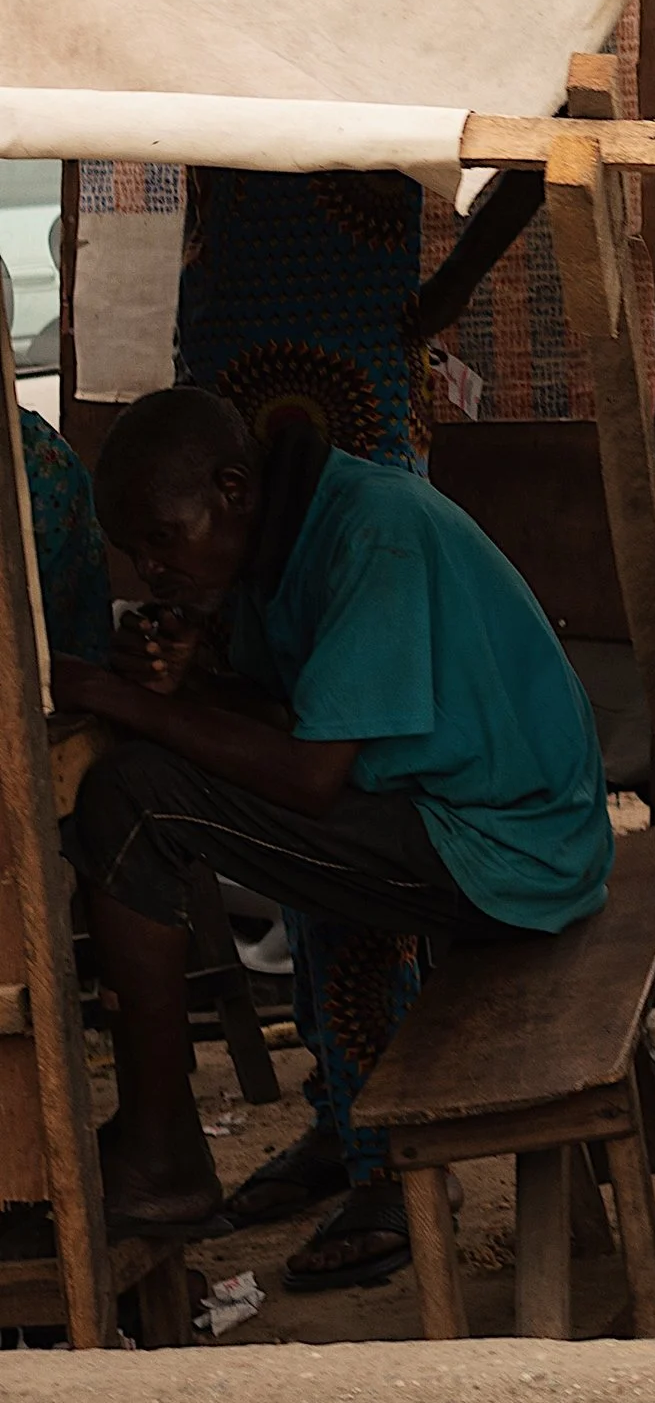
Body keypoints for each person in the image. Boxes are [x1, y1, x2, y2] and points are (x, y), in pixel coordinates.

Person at [58, 382, 611, 1233]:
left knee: (131, 799)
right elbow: (298, 713)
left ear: (233, 490)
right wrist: (183, 678)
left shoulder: (371, 528)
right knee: (146, 775)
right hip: (481, 824)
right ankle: (158, 1143)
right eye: (139, 552)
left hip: (514, 853)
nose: (153, 569)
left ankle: (162, 1158)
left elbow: (313, 772)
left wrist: (130, 702)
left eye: (164, 540)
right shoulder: (289, 537)